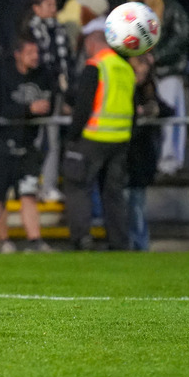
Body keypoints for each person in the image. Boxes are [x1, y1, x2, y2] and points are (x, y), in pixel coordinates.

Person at [62, 19, 136, 250]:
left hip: (93, 138)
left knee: (78, 187)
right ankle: (119, 241)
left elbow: (84, 105)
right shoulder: (125, 68)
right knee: (114, 194)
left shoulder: (96, 66)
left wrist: (72, 136)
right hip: (120, 140)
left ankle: (82, 239)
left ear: (93, 43)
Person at [0, 36, 55, 253]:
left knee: (28, 192)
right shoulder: (3, 75)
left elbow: (50, 103)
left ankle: (35, 240)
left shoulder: (42, 76)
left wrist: (44, 107)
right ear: (18, 54)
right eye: (30, 53)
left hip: (28, 145)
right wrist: (28, 110)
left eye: (37, 53)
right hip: (1, 144)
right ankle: (4, 241)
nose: (35, 57)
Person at [127, 0, 189, 175]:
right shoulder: (135, 12)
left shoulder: (172, 8)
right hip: (143, 73)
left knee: (170, 114)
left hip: (167, 69)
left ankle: (170, 159)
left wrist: (157, 56)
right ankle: (153, 158)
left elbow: (181, 37)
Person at [22, 0, 71, 202]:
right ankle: (27, 182)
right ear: (36, 8)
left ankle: (48, 185)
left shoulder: (60, 30)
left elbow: (65, 60)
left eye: (54, 4)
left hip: (55, 92)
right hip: (33, 91)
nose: (53, 8)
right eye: (49, 4)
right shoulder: (27, 31)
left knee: (52, 140)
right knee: (33, 139)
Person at [126, 54, 172, 251]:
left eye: (144, 66)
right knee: (129, 204)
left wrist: (150, 110)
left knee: (136, 204)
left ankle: (139, 244)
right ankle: (130, 243)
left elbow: (168, 109)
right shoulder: (124, 87)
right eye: (138, 66)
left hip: (140, 157)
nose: (141, 71)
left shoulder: (148, 90)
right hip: (124, 154)